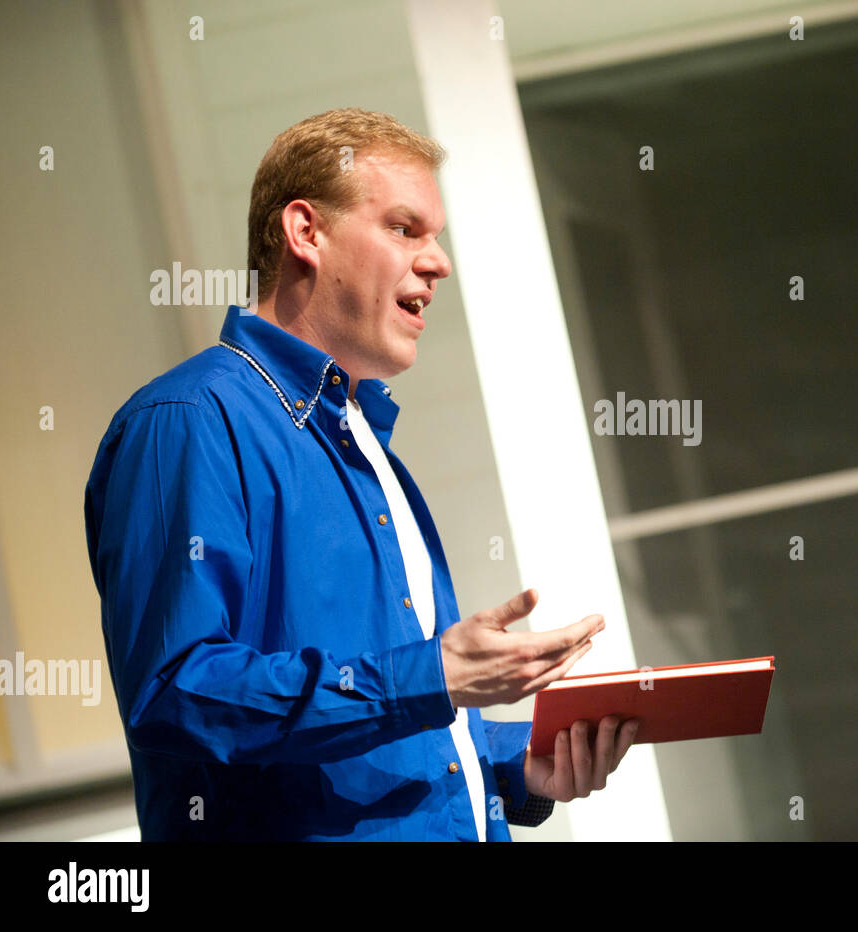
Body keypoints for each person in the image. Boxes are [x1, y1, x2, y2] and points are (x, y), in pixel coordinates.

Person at [84, 108, 637, 841]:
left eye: (434, 237)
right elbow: (177, 691)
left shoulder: (364, 438)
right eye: (404, 229)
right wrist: (429, 679)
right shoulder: (187, 419)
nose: (438, 262)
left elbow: (392, 730)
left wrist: (519, 762)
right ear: (305, 233)